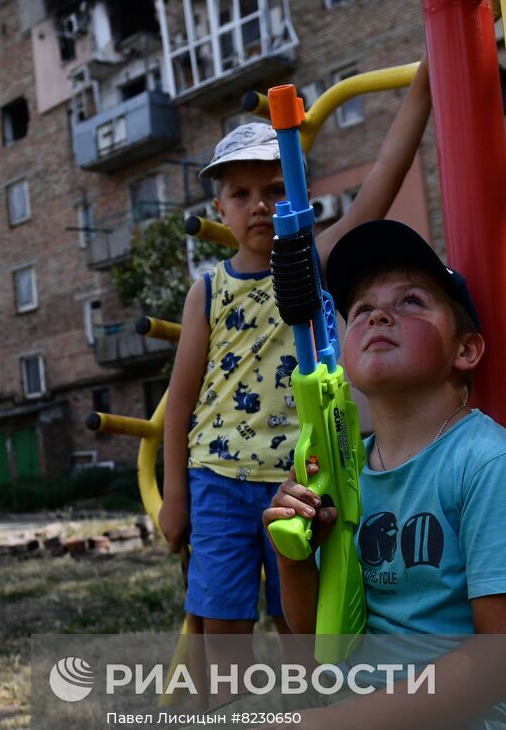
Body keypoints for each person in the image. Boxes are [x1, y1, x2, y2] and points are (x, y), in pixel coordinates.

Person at [149, 219, 506, 730]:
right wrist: (294, 555)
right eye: (362, 308)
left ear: (467, 350)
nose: (378, 315)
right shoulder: (348, 469)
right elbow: (321, 639)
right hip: (364, 691)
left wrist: (341, 728)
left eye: (411, 301)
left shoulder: (490, 465)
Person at [159, 59, 432, 685]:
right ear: (220, 207)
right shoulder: (207, 291)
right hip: (218, 478)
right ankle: (229, 727)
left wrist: (423, 87)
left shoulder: (318, 261)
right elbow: (180, 399)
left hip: (300, 480)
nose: (260, 205)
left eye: (276, 188)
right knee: (221, 622)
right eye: (241, 194)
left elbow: (383, 181)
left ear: (301, 195)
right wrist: (176, 495)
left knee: (301, 621)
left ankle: (305, 720)